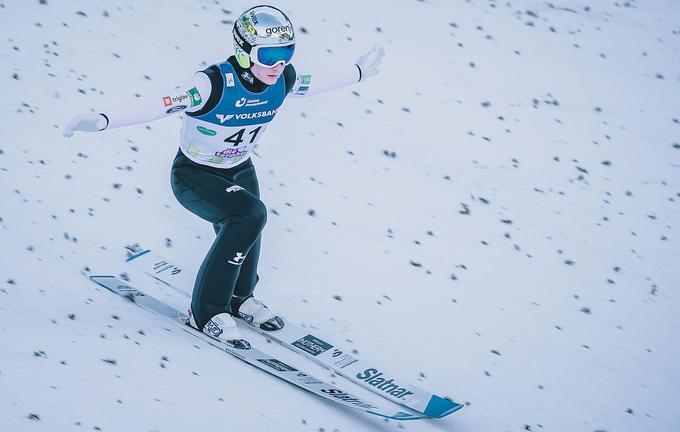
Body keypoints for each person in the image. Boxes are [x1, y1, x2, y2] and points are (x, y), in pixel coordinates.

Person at [63, 5, 384, 346]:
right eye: (269, 55)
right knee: (249, 214)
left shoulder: (283, 79)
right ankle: (206, 313)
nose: (279, 65)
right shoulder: (211, 84)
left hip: (239, 167)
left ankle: (239, 297)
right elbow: (157, 104)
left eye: (286, 53)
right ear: (244, 52)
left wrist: (359, 71)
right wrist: (103, 120)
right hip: (194, 174)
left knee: (250, 222)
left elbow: (315, 82)